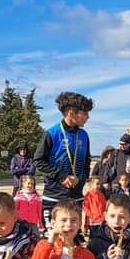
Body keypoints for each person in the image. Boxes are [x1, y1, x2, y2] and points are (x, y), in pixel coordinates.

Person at [34, 91, 93, 225]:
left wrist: (81, 179)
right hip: (54, 197)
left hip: (76, 197)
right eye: (85, 113)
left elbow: (86, 163)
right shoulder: (51, 133)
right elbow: (38, 160)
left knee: (72, 240)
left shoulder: (84, 135)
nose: (88, 117)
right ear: (72, 113)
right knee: (53, 240)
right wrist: (61, 176)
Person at [102, 133, 130, 204]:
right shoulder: (115, 153)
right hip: (115, 184)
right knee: (115, 204)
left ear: (129, 144)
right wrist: (105, 181)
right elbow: (108, 167)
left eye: (124, 144)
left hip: (129, 185)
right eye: (120, 144)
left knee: (129, 204)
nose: (121, 146)